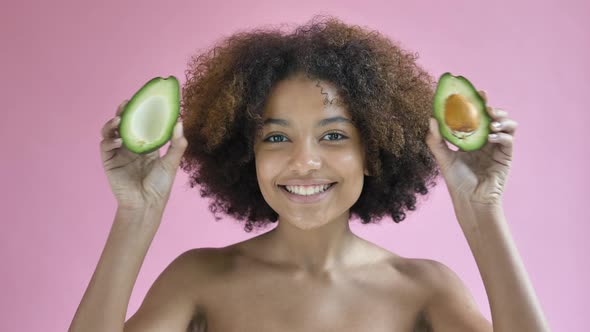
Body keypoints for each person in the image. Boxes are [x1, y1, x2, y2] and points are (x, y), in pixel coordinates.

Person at [69, 15, 550, 332]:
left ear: (373, 150)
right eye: (276, 137)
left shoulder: (424, 288)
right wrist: (136, 213)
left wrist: (482, 208)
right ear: (245, 152)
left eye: (335, 136)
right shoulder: (198, 280)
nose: (304, 161)